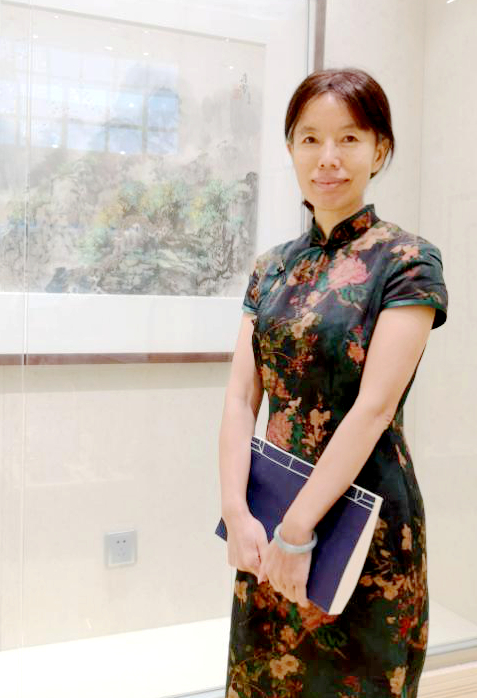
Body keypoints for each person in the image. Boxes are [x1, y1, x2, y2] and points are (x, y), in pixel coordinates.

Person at [218, 67, 448, 698]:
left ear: (379, 148)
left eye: (349, 138)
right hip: (269, 520)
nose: (328, 157)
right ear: (291, 147)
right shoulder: (270, 268)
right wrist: (236, 511)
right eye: (310, 138)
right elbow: (240, 397)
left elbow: (373, 409)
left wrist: (298, 533)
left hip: (362, 521)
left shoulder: (408, 260)